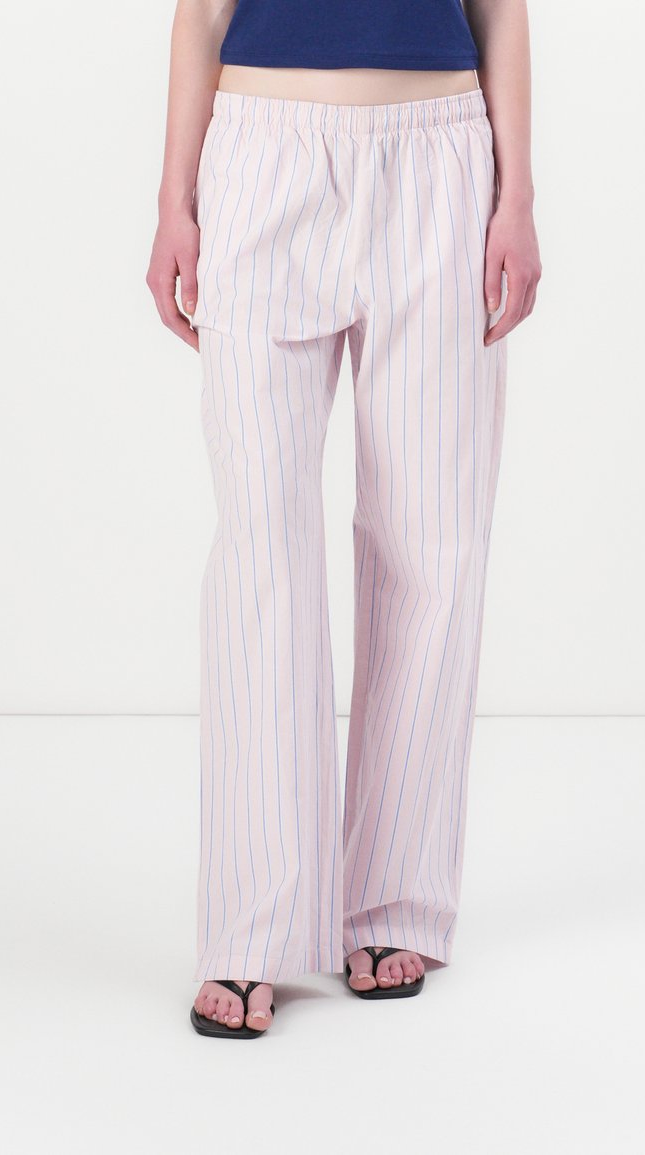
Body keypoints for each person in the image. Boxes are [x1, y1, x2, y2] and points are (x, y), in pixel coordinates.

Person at [146, 0, 541, 1037]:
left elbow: (499, 8)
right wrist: (174, 201)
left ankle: (394, 898)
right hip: (261, 150)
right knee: (261, 547)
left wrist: (515, 198)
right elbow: (202, 12)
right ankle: (252, 922)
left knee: (431, 543)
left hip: (439, 157)